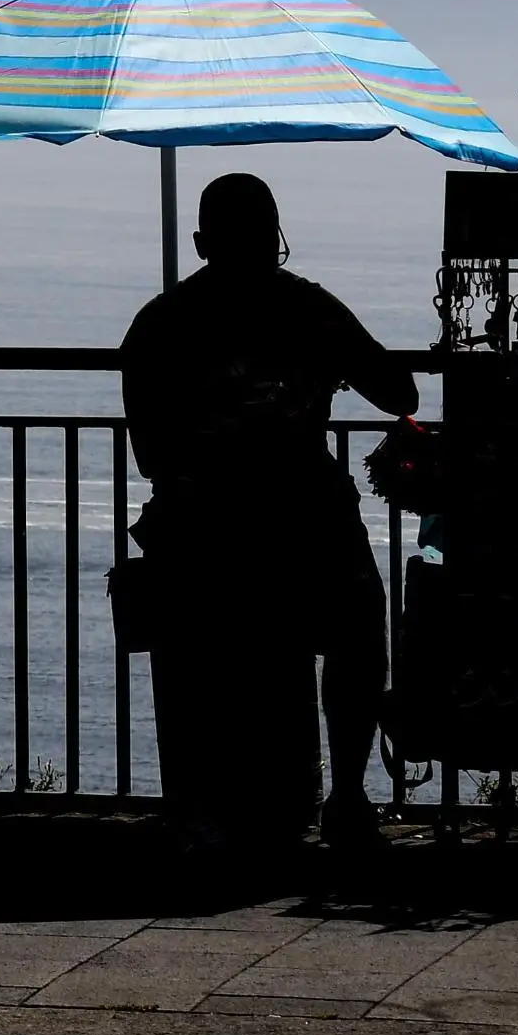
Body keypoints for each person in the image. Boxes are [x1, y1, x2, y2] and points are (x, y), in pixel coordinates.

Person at [121, 171, 410, 856]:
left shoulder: (159, 323)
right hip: (306, 518)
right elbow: (399, 392)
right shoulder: (312, 309)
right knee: (357, 632)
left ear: (199, 241)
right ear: (275, 238)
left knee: (197, 660)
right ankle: (345, 795)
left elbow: (151, 454)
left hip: (203, 528)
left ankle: (200, 808)